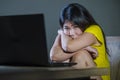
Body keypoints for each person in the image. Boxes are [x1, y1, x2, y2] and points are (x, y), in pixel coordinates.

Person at [50, 3, 110, 80]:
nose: (71, 33)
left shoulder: (94, 29)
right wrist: (85, 48)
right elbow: (54, 56)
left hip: (100, 77)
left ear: (83, 23)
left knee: (81, 54)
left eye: (76, 27)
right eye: (66, 28)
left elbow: (68, 47)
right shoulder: (66, 36)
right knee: (63, 61)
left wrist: (61, 32)